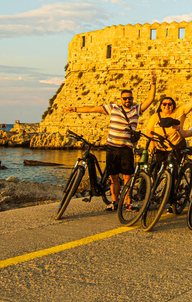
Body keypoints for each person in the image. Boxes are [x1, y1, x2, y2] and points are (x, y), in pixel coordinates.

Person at [63, 71, 157, 211]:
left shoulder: (136, 110)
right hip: (112, 148)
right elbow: (93, 109)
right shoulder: (113, 108)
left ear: (132, 99)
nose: (127, 100)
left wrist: (153, 83)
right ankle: (115, 202)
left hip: (126, 148)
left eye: (129, 98)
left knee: (127, 178)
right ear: (121, 99)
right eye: (125, 98)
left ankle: (128, 202)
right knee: (113, 177)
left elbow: (150, 100)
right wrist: (74, 109)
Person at [144, 81, 192, 169]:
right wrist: (152, 144)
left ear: (173, 106)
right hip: (161, 148)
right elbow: (149, 132)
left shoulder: (178, 112)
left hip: (176, 147)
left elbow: (191, 104)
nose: (167, 106)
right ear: (160, 106)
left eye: (169, 104)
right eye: (164, 104)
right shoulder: (155, 117)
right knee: (161, 170)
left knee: (174, 170)